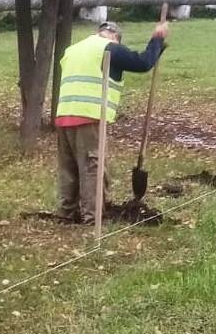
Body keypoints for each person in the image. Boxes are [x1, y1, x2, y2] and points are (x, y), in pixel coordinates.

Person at [55, 18, 168, 222]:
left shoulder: (73, 49)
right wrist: (157, 39)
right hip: (89, 115)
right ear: (115, 37)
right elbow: (142, 63)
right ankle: (93, 216)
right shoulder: (109, 48)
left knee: (68, 167)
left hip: (64, 114)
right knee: (92, 166)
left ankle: (67, 212)